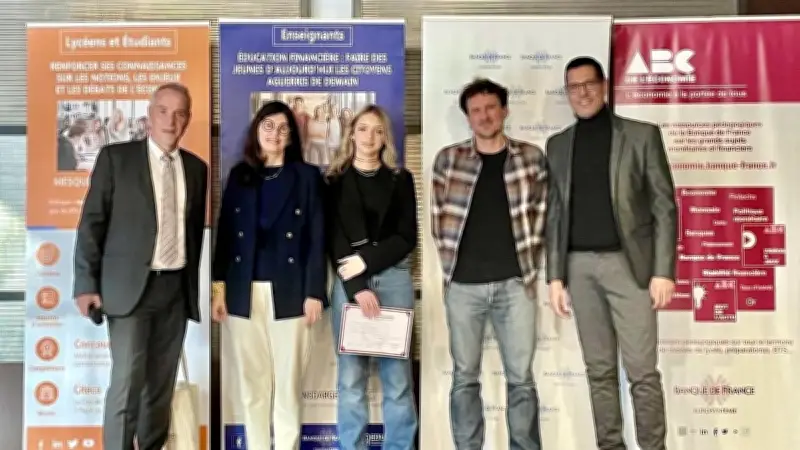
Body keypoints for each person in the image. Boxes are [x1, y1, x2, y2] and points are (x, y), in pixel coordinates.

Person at [545, 56, 676, 450]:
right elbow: (555, 214)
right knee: (599, 371)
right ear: (567, 93)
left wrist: (663, 271)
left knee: (642, 372)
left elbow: (664, 207)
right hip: (578, 268)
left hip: (630, 267)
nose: (582, 93)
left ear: (603, 86)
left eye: (589, 84)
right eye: (574, 87)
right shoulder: (557, 145)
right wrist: (555, 276)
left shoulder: (641, 136)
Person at [73, 82, 208, 450]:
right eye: (163, 111)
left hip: (174, 292)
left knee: (160, 390)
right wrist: (85, 283)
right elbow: (91, 224)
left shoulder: (197, 169)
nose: (171, 120)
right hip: (129, 290)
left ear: (187, 120)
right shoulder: (116, 159)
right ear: (149, 115)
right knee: (128, 385)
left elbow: (193, 235)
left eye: (179, 113)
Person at [430, 78, 546, 450]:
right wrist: (451, 269)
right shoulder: (448, 160)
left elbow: (543, 217)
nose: (484, 116)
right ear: (468, 117)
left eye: (491, 107)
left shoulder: (531, 158)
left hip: (516, 285)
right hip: (463, 287)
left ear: (505, 110)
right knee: (465, 378)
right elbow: (438, 220)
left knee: (521, 379)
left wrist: (530, 268)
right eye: (476, 110)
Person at [210, 100, 327, 450]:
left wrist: (315, 292)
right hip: (242, 292)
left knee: (287, 388)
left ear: (291, 136)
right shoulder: (240, 176)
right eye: (268, 126)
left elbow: (317, 238)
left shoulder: (306, 177)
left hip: (291, 292)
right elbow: (225, 236)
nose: (275, 134)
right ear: (256, 130)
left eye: (283, 128)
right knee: (252, 386)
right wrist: (219, 289)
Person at [325, 105, 418, 450]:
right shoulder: (333, 182)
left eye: (378, 131)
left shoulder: (400, 179)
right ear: (351, 134)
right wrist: (357, 287)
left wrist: (364, 260)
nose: (369, 137)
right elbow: (334, 238)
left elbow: (406, 237)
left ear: (385, 138)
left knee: (398, 380)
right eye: (363, 129)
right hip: (349, 284)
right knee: (351, 379)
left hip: (394, 280)